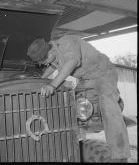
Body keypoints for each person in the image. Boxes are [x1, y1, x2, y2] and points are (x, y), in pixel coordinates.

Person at [27, 33, 131, 162]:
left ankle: (120, 155)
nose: (44, 64)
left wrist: (52, 85)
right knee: (65, 97)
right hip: (86, 80)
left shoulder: (67, 41)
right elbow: (54, 66)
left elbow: (72, 62)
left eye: (43, 61)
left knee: (109, 108)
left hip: (104, 74)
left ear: (50, 50)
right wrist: (40, 80)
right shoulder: (54, 55)